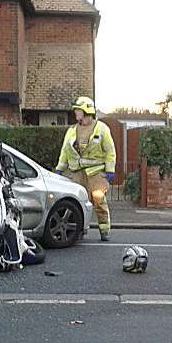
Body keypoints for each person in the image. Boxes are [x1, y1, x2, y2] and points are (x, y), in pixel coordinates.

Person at [55, 96, 116, 241]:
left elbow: (110, 151)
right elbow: (65, 151)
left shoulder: (101, 129)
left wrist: (110, 170)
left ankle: (104, 230)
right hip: (76, 174)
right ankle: (79, 232)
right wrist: (60, 168)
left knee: (99, 201)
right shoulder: (71, 130)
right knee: (79, 204)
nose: (76, 113)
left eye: (78, 110)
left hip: (96, 174)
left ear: (86, 111)